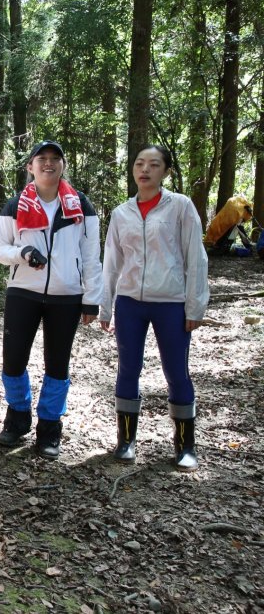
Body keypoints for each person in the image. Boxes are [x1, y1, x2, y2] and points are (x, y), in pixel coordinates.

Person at [0, 140, 102, 459]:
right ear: (30, 167)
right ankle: (18, 416)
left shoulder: (81, 205)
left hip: (67, 295)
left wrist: (92, 298)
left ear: (63, 165)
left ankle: (50, 426)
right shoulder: (15, 205)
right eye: (42, 159)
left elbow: (91, 256)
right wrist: (22, 253)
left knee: (57, 363)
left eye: (55, 159)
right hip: (23, 292)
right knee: (13, 360)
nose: (48, 164)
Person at [99, 145, 209, 471]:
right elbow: (112, 264)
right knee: (128, 369)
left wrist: (195, 306)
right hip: (131, 303)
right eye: (139, 164)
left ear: (166, 172)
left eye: (154, 164)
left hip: (171, 303)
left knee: (176, 371)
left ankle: (185, 445)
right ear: (133, 170)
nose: (145, 170)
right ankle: (127, 440)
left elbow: (195, 258)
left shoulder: (180, 207)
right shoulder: (122, 213)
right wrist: (106, 307)